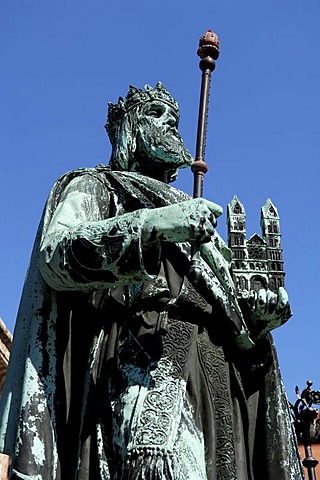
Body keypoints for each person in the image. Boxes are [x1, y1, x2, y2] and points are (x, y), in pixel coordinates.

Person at [0, 82, 304, 479]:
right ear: (128, 130)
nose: (170, 125)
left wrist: (255, 326)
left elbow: (227, 314)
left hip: (214, 373)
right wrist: (156, 225)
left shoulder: (192, 213)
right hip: (144, 354)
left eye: (175, 119)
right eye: (156, 114)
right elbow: (57, 252)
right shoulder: (98, 187)